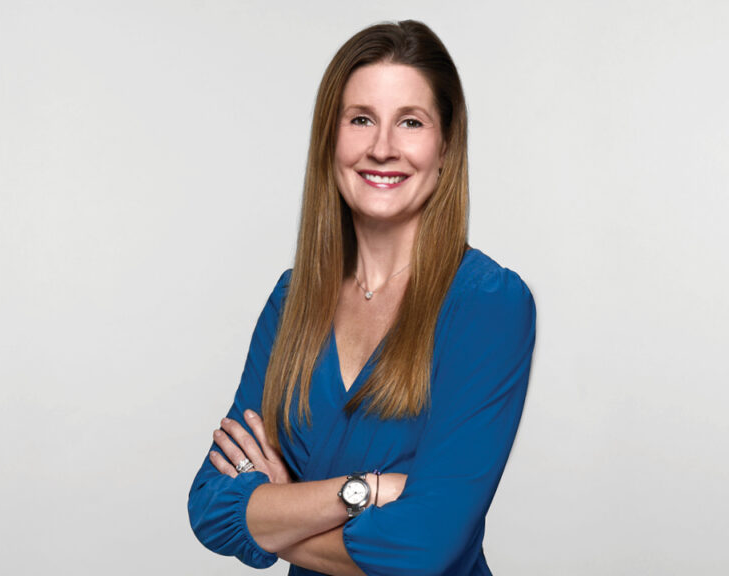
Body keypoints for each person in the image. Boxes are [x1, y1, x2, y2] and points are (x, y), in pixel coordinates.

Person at [187, 20, 536, 576]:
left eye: (411, 122)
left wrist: (274, 516)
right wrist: (364, 492)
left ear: (446, 147)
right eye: (361, 119)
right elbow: (208, 507)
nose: (382, 148)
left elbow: (423, 549)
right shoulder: (292, 301)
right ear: (331, 138)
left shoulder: (489, 305)